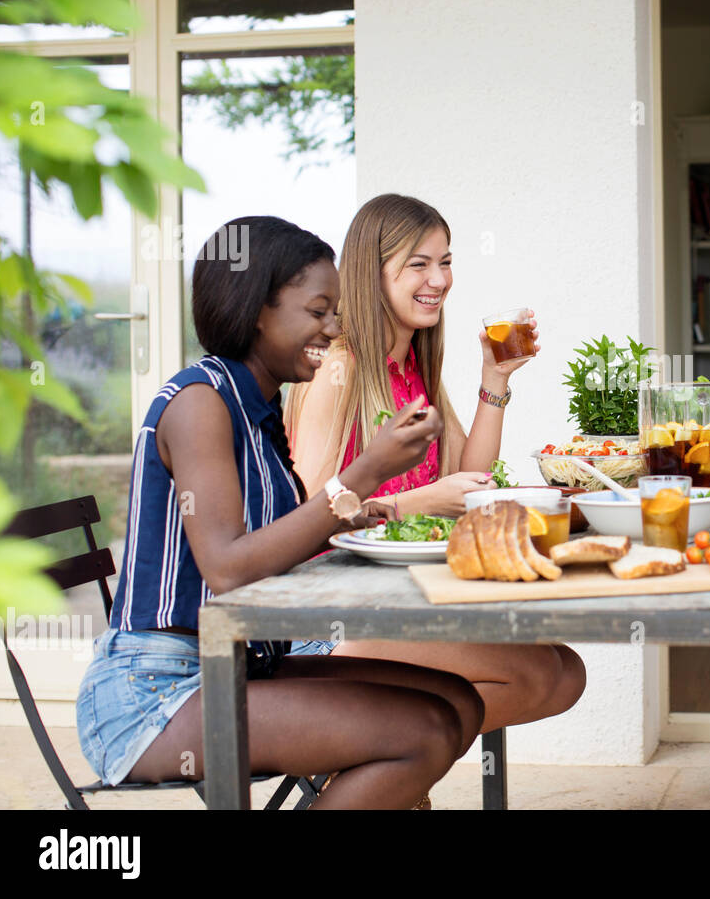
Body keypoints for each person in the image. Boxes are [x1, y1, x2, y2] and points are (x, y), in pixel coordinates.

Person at [77, 217, 485, 809]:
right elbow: (227, 568)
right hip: (156, 689)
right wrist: (364, 472)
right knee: (421, 734)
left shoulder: (259, 410)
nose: (334, 327)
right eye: (318, 311)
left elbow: (281, 541)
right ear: (257, 310)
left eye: (335, 311)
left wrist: (363, 511)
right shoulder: (200, 403)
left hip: (244, 661)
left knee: (460, 706)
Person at [286, 194, 586, 733]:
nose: (439, 280)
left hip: (400, 598)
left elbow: (470, 477)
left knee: (565, 673)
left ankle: (389, 761)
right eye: (418, 264)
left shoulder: (411, 369)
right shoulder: (340, 368)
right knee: (538, 673)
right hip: (326, 618)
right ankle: (380, 763)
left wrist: (495, 381)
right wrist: (409, 505)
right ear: (370, 274)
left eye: (445, 261)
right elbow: (303, 518)